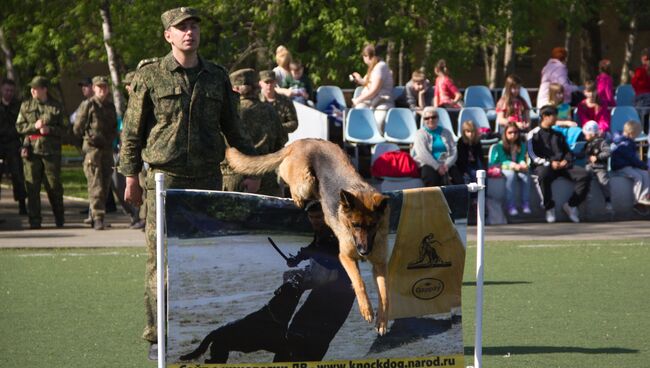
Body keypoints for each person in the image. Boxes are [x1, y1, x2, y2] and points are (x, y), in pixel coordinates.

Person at [117, 7, 259, 359]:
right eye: (181, 28)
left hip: (206, 181)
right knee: (160, 263)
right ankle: (157, 337)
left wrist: (254, 167)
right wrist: (131, 177)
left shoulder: (216, 77)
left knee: (204, 259)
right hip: (164, 181)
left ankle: (201, 328)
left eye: (193, 26)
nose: (189, 32)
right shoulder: (150, 76)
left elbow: (234, 129)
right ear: (168, 35)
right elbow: (132, 133)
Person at [178, 201, 355, 363]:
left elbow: (327, 254)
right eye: (312, 217)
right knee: (296, 334)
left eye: (319, 217)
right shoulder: (323, 232)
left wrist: (303, 257)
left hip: (339, 292)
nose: (316, 221)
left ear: (328, 215)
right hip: (326, 288)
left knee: (310, 338)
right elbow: (314, 248)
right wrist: (299, 257)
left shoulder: (337, 232)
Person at [222, 68, 286, 196]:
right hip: (266, 175)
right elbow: (281, 142)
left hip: (235, 177)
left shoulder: (228, 113)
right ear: (256, 87)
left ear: (235, 89)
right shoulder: (270, 111)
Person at [15, 76, 67, 229]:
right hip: (32, 152)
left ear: (44, 89)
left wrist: (50, 130)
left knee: (54, 186)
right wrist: (34, 126)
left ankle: (59, 218)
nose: (32, 90)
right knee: (32, 188)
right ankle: (35, 221)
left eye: (35, 88)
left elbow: (65, 129)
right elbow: (19, 127)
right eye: (31, 88)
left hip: (51, 153)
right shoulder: (26, 106)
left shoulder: (56, 107)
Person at [527, 105, 591, 223]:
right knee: (543, 175)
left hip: (562, 166)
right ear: (545, 117)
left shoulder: (558, 134)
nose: (556, 118)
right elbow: (532, 155)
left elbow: (568, 152)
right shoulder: (533, 134)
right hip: (545, 166)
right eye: (553, 115)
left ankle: (571, 205)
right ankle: (549, 207)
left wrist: (566, 160)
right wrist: (549, 163)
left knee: (585, 175)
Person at [73, 76, 118, 230]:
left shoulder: (110, 107)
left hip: (106, 150)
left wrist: (109, 139)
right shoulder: (88, 105)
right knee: (96, 185)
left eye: (104, 87)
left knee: (105, 186)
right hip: (93, 151)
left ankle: (94, 215)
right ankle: (98, 217)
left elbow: (114, 128)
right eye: (99, 87)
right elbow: (77, 128)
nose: (102, 90)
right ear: (93, 88)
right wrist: (88, 140)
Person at [111, 71, 144, 230]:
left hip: (142, 154)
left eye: (131, 84)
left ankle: (142, 217)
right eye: (127, 84)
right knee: (118, 184)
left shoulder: (145, 103)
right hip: (125, 152)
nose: (128, 87)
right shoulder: (129, 105)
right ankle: (134, 215)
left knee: (143, 185)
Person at [412, 107, 462, 187]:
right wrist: (437, 167)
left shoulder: (446, 132)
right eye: (427, 118)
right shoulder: (420, 134)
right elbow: (422, 154)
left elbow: (454, 151)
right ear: (424, 120)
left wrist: (446, 165)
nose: (430, 120)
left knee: (458, 180)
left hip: (446, 163)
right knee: (432, 179)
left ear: (437, 118)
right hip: (428, 164)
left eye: (433, 117)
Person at [350, 43, 395, 132]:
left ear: (367, 56)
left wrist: (357, 100)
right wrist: (359, 80)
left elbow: (374, 90)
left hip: (382, 101)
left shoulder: (380, 67)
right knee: (358, 113)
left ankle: (377, 143)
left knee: (378, 121)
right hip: (369, 102)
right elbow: (368, 83)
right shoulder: (373, 67)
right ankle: (361, 142)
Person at [489, 123, 531, 216]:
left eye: (515, 132)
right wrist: (513, 165)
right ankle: (510, 205)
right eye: (510, 132)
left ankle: (525, 203)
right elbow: (502, 160)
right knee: (511, 176)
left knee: (525, 176)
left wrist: (522, 163)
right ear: (505, 133)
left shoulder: (521, 145)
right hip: (502, 166)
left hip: (516, 167)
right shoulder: (499, 146)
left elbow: (521, 158)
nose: (513, 135)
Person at [610, 120, 650, 214]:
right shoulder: (626, 144)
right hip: (620, 167)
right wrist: (644, 166)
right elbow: (633, 159)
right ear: (632, 134)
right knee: (638, 177)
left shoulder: (624, 139)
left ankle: (645, 197)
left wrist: (644, 169)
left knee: (644, 174)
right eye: (637, 135)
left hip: (628, 165)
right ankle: (637, 202)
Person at [0, 78, 27, 215]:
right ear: (1, 90)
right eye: (6, 90)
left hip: (13, 143)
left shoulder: (19, 106)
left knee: (18, 175)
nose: (9, 93)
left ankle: (22, 205)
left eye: (11, 90)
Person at [580, 120, 613, 212]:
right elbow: (582, 154)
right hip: (589, 166)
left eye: (586, 134)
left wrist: (598, 157)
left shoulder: (602, 143)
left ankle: (608, 200)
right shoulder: (587, 144)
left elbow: (608, 152)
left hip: (600, 167)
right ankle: (587, 194)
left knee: (604, 181)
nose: (585, 136)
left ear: (592, 134)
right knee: (586, 175)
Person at [259, 70, 299, 135]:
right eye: (266, 82)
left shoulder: (285, 101)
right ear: (260, 83)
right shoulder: (256, 101)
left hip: (279, 141)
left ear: (275, 83)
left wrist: (278, 127)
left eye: (271, 82)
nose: (269, 85)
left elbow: (294, 123)